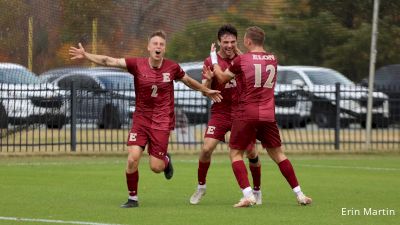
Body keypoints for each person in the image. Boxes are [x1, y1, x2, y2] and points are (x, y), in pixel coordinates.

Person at [69, 30, 222, 208]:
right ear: (148, 47)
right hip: (141, 119)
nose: (158, 47)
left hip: (162, 121)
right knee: (133, 158)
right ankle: (132, 198)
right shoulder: (137, 64)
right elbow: (108, 60)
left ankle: (166, 160)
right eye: (155, 44)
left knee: (156, 167)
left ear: (164, 49)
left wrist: (206, 90)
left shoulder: (172, 67)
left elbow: (187, 80)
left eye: (161, 44)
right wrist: (86, 54)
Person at [209, 26, 312, 207]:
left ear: (247, 41)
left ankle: (248, 195)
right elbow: (251, 61)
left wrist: (213, 59)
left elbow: (222, 78)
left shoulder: (241, 60)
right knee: (279, 154)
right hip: (267, 114)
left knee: (235, 154)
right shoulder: (273, 59)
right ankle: (300, 194)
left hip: (246, 113)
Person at [189, 24, 262, 205]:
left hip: (241, 112)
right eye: (225, 42)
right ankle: (201, 187)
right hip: (220, 112)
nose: (229, 45)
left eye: (232, 42)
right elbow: (204, 90)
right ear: (219, 42)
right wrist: (207, 81)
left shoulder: (244, 59)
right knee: (206, 149)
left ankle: (257, 191)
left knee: (252, 152)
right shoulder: (210, 61)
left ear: (237, 42)